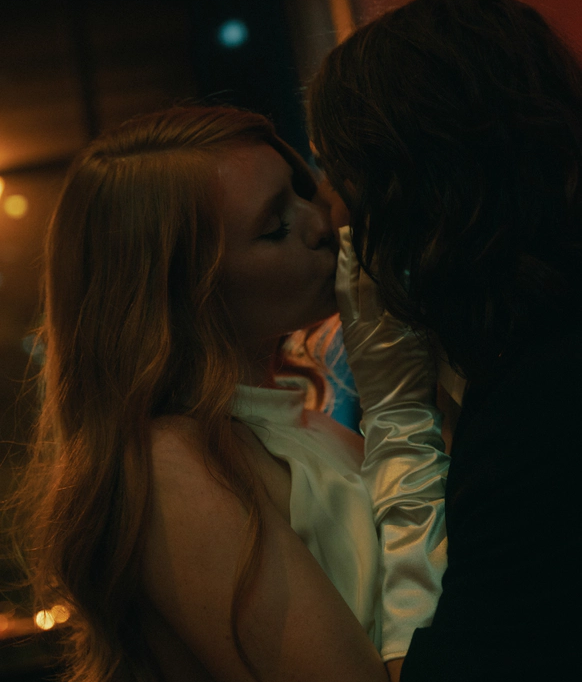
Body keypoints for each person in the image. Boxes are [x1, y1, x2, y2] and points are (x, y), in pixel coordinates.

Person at [13, 104, 448, 682]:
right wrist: (398, 410)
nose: (321, 222)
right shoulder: (173, 465)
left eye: (302, 190)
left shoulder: (289, 419)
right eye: (275, 227)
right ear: (183, 292)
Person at [307, 0, 582, 681]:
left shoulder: (538, 396)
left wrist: (397, 412)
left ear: (415, 186)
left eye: (343, 176)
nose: (331, 216)